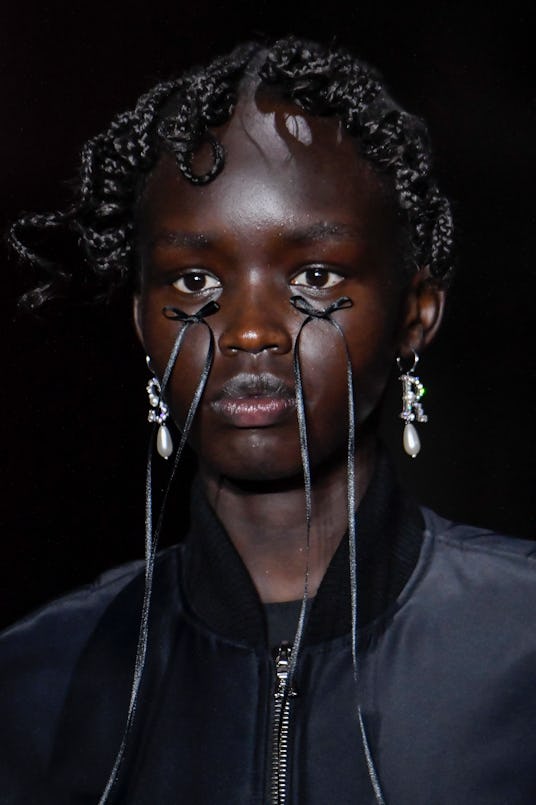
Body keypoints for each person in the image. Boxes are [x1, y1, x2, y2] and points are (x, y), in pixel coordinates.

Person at [2, 36, 536, 805]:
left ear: (416, 313)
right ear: (142, 323)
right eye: (194, 280)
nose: (251, 330)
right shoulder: (35, 684)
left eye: (314, 275)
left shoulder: (518, 646)